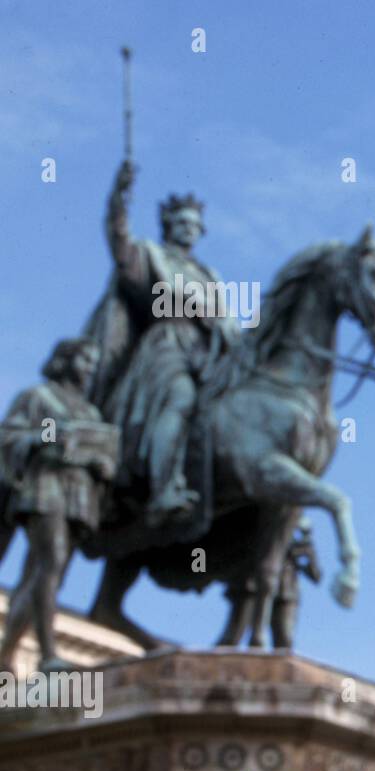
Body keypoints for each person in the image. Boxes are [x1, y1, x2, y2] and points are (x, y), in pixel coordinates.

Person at [83, 160, 241, 526]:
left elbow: (228, 322)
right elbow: (119, 244)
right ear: (168, 226)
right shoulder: (150, 255)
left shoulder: (209, 275)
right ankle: (165, 488)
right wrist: (119, 198)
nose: (189, 230)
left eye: (195, 225)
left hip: (211, 354)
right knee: (181, 399)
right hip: (167, 347)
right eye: (181, 223)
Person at [0, 338, 118, 672]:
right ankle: (47, 654)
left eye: (92, 365)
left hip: (78, 495)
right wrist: (49, 438)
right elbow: (10, 437)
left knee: (44, 573)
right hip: (45, 487)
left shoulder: (90, 412)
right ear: (64, 361)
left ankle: (6, 651)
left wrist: (102, 465)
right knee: (49, 563)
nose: (89, 370)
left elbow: (103, 454)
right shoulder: (39, 397)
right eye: (84, 361)